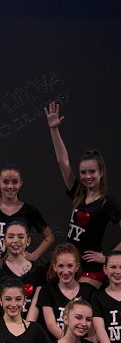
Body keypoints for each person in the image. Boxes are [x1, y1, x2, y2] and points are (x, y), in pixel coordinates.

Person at [45, 102, 121, 287]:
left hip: (91, 269)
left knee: (78, 299)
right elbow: (63, 161)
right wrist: (54, 129)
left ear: (101, 172)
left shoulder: (107, 203)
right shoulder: (78, 193)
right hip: (69, 266)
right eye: (83, 173)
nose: (87, 176)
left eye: (92, 172)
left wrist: (107, 258)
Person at [0, 164, 53, 262]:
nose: (10, 186)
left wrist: (33, 256)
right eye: (5, 182)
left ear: (20, 183)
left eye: (15, 182)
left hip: (21, 267)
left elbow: (49, 236)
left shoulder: (30, 211)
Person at [29, 243, 95, 341]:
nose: (65, 271)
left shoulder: (89, 291)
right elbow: (51, 324)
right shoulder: (48, 290)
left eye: (70, 266)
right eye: (61, 266)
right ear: (55, 267)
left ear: (76, 267)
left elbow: (94, 325)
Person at [0, 221, 46, 320]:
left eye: (20, 237)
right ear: (4, 240)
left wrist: (27, 328)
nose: (15, 241)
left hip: (28, 325)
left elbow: (35, 304)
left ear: (28, 241)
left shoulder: (39, 270)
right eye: (11, 237)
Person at [91, 251, 121, 343]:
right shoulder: (97, 297)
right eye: (113, 267)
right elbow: (100, 329)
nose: (118, 271)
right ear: (105, 269)